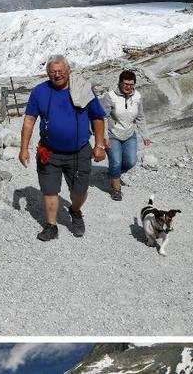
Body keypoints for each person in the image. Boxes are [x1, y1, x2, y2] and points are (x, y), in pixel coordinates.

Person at [18, 55, 106, 241]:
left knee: (79, 191)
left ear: (68, 71)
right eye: (53, 72)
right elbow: (29, 120)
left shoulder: (82, 89)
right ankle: (51, 226)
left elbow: (97, 118)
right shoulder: (39, 91)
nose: (57, 75)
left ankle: (75, 211)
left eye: (60, 71)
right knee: (49, 190)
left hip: (79, 151)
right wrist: (23, 148)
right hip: (49, 152)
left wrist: (99, 145)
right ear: (47, 73)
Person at [100, 69, 152, 201]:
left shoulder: (137, 97)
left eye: (131, 84)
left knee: (130, 161)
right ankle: (116, 189)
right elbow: (102, 117)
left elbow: (140, 117)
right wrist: (104, 136)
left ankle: (114, 174)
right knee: (116, 161)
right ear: (120, 83)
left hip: (129, 133)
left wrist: (145, 135)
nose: (128, 87)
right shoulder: (110, 96)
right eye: (125, 84)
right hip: (112, 134)